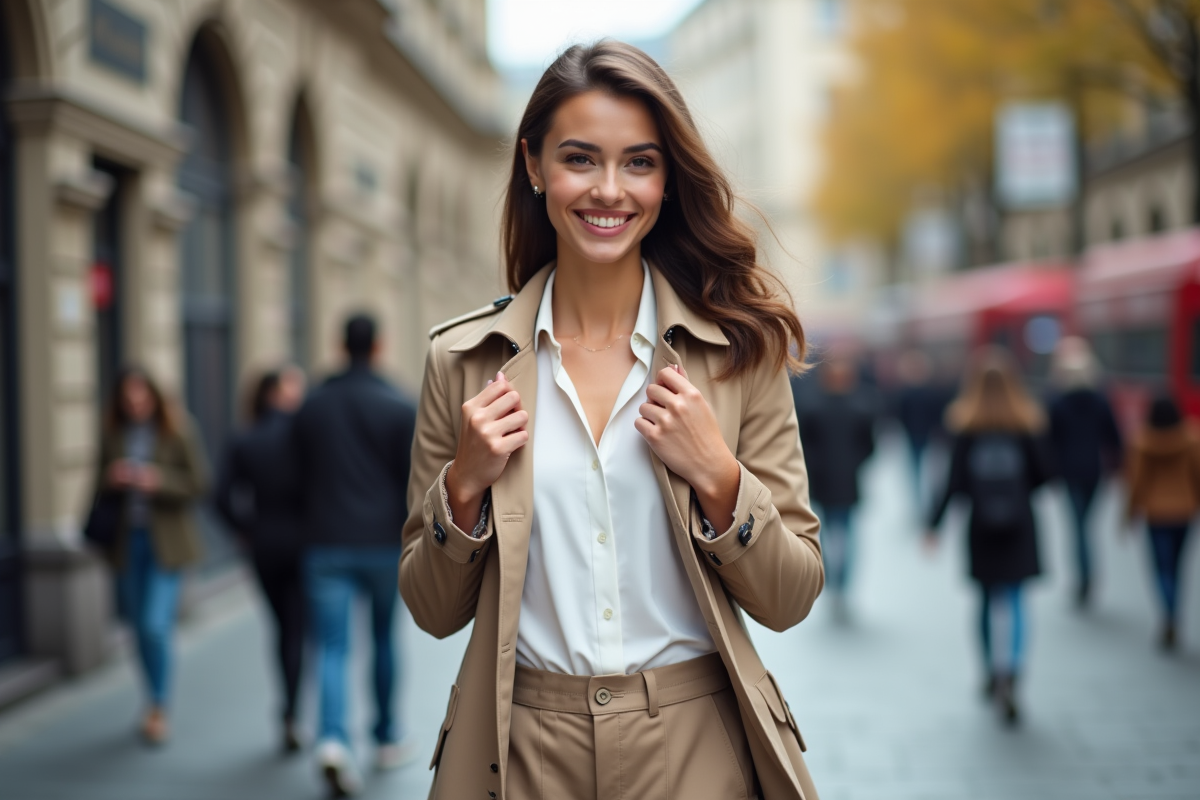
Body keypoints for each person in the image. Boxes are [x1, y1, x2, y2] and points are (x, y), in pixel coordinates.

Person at [400, 40, 824, 800]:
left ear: (666, 180)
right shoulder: (461, 361)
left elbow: (790, 599)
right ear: (533, 166)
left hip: (699, 748)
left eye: (638, 162)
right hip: (520, 750)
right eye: (579, 158)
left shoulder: (738, 356)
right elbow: (432, 611)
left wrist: (720, 478)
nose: (609, 190)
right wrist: (461, 490)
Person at [293, 314, 417, 796]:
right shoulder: (397, 405)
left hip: (324, 541)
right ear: (379, 345)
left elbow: (294, 475)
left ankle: (332, 740)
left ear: (340, 345)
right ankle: (386, 737)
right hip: (384, 544)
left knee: (331, 646)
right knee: (384, 639)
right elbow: (413, 479)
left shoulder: (312, 406)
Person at [927, 348, 1050, 727]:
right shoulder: (1027, 423)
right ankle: (1011, 672)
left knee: (983, 598)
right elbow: (1046, 476)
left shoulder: (964, 424)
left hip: (981, 526)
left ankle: (987, 671)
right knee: (1014, 599)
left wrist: (933, 525)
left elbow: (953, 482)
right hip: (1020, 525)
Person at [90, 366, 208, 745]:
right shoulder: (112, 435)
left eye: (142, 398)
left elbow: (199, 483)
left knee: (156, 624)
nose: (136, 405)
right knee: (138, 628)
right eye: (128, 400)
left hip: (167, 545)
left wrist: (158, 480)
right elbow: (95, 486)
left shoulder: (177, 431)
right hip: (128, 544)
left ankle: (159, 705)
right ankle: (150, 699)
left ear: (155, 398)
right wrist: (113, 477)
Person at [214, 366, 308, 753]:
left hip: (264, 545)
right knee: (298, 630)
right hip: (304, 543)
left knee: (283, 628)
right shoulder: (303, 437)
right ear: (277, 393)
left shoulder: (244, 438)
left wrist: (245, 528)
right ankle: (292, 711)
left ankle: (288, 711)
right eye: (293, 386)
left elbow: (219, 496)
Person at [798, 356, 876, 618]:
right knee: (847, 532)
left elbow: (804, 445)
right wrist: (853, 464)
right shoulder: (861, 406)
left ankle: (833, 580)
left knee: (827, 532)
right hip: (848, 480)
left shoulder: (812, 405)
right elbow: (870, 446)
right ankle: (842, 583)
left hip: (822, 481)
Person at [1047, 336, 1123, 608]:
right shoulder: (1101, 401)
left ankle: (1084, 577)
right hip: (1094, 470)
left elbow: (1049, 440)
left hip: (1069, 471)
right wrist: (1117, 467)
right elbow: (1114, 437)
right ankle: (1089, 574)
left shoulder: (1058, 402)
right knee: (1086, 525)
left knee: (1078, 526)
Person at [1125, 395, 1200, 652]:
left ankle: (1168, 614)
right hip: (1185, 512)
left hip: (1156, 514)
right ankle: (1174, 612)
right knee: (1178, 567)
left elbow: (1136, 482)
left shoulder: (1142, 441)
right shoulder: (1191, 438)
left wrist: (1129, 514)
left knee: (1161, 568)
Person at [893, 349, 948, 501]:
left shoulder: (907, 392)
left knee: (918, 466)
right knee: (927, 468)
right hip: (924, 434)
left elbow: (900, 414)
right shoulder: (930, 391)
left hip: (917, 433)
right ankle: (924, 496)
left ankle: (920, 495)